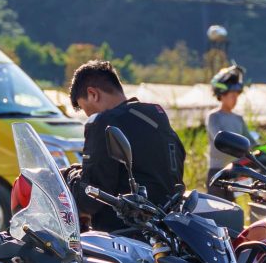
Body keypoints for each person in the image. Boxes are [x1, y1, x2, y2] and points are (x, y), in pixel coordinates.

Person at [70, 60, 186, 229]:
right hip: (165, 230)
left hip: (121, 236)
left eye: (85, 108)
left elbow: (91, 197)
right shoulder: (155, 117)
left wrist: (70, 177)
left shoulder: (105, 122)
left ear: (93, 94)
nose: (89, 115)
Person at [204, 64, 250, 180]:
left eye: (237, 95)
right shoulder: (214, 116)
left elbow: (250, 142)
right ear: (222, 95)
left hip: (237, 171)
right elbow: (220, 141)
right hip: (218, 171)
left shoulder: (239, 118)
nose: (235, 99)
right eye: (232, 95)